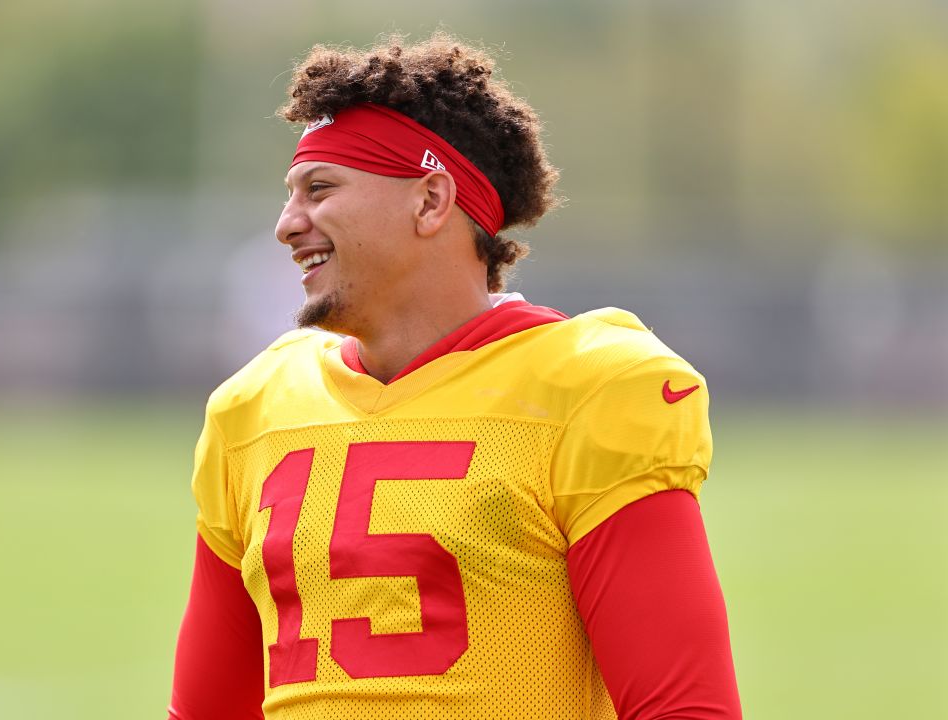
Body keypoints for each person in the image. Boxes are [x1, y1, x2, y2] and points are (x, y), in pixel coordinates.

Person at [169, 34, 740, 720]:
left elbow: (681, 708)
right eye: (291, 195)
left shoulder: (587, 388)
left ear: (431, 200)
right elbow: (209, 711)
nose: (289, 225)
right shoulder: (252, 408)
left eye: (320, 189)